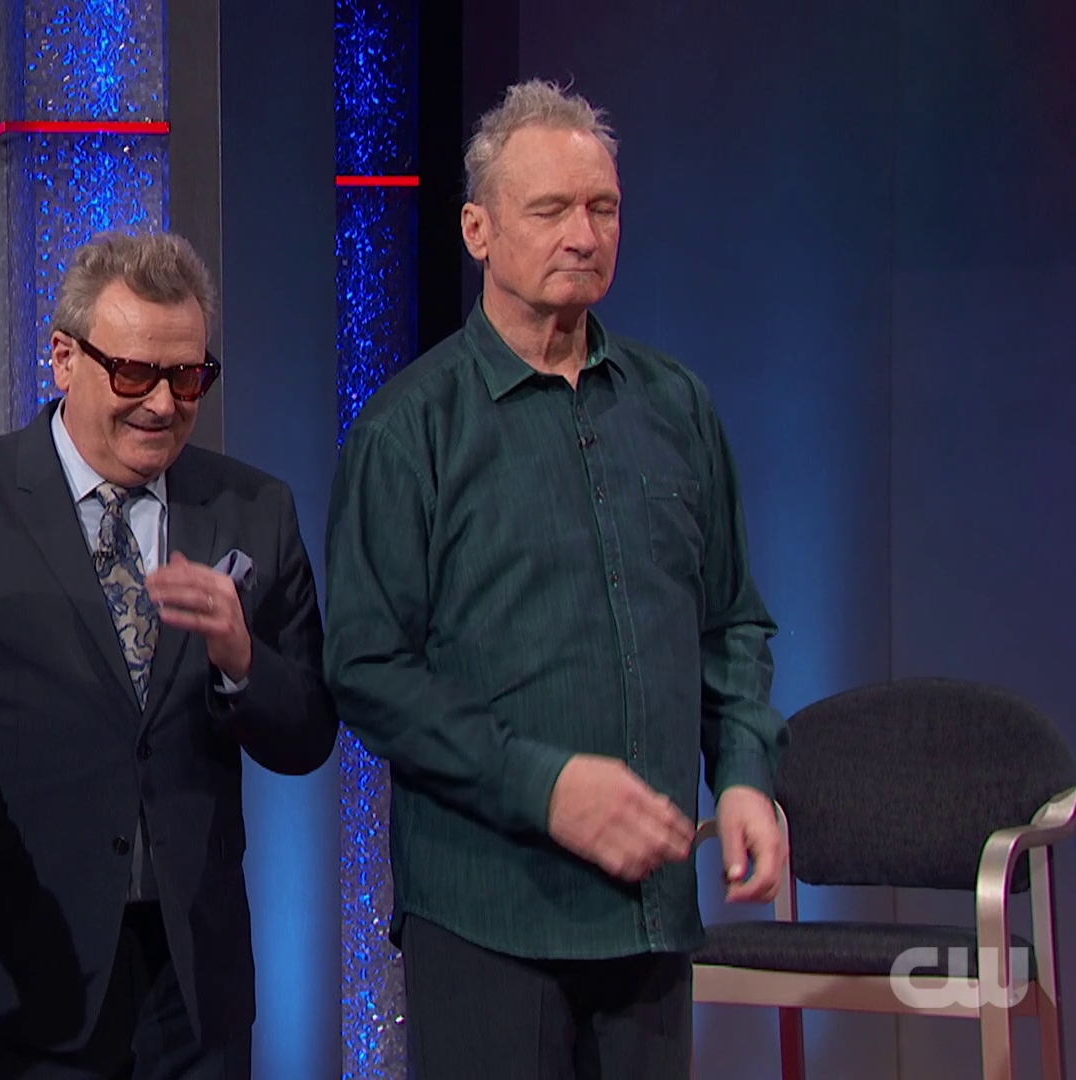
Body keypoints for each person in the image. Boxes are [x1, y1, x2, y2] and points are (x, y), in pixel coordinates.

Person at [322, 79, 791, 1077]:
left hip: (649, 917)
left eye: (602, 208)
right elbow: (367, 670)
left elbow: (732, 626)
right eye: (550, 211)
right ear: (478, 231)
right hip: (487, 913)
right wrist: (546, 788)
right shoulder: (410, 430)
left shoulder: (677, 407)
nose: (584, 234)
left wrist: (746, 775)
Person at [0, 230, 338, 1080]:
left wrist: (240, 660)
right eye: (135, 374)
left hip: (193, 991)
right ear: (63, 359)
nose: (162, 404)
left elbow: (307, 735)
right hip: (10, 984)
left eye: (187, 378)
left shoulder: (252, 507)